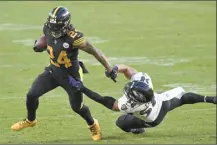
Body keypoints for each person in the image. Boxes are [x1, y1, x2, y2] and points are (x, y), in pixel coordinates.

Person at [11, 6, 118, 141]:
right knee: (32, 94)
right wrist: (40, 43)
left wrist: (109, 69)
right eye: (52, 26)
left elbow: (94, 51)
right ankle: (30, 120)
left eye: (57, 27)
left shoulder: (75, 38)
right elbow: (46, 36)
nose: (54, 30)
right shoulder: (49, 27)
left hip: (71, 77)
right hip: (53, 71)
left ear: (66, 25)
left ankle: (92, 124)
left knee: (77, 107)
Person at [68, 64, 216, 134]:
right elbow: (128, 70)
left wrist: (82, 88)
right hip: (161, 101)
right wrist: (114, 69)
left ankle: (138, 129)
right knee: (183, 98)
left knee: (121, 122)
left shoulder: (129, 105)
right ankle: (210, 99)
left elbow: (104, 100)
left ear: (135, 99)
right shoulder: (145, 81)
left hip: (152, 118)